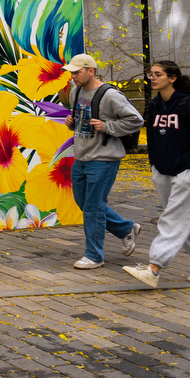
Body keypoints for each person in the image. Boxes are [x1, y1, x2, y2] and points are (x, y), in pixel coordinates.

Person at [123, 60, 190, 288]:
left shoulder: (189, 105)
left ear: (172, 78)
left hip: (187, 172)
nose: (152, 78)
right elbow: (153, 139)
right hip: (162, 171)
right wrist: (154, 165)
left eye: (157, 74)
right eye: (151, 74)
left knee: (172, 219)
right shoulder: (155, 105)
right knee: (183, 218)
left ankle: (153, 268)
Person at [62, 54, 144, 269]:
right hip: (81, 156)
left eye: (77, 72)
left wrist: (107, 126)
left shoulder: (110, 95)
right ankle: (126, 229)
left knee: (93, 207)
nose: (73, 76)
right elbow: (81, 122)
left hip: (104, 159)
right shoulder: (75, 91)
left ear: (91, 70)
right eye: (71, 72)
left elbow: (136, 120)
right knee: (85, 203)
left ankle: (94, 255)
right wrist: (72, 122)